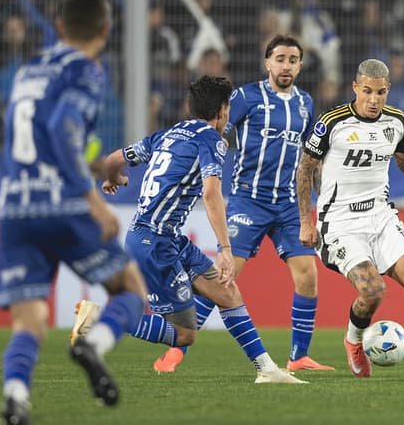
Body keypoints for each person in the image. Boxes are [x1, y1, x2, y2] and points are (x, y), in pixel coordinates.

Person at [76, 75, 305, 384]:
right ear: (224, 111)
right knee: (185, 335)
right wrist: (225, 249)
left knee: (227, 292)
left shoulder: (169, 133)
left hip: (166, 238)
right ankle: (98, 318)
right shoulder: (212, 140)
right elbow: (211, 194)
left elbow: (118, 157)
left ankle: (267, 370)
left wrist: (112, 176)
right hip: (154, 243)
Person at [0, 0, 148, 425]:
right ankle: (92, 345)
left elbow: (40, 140)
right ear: (106, 29)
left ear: (59, 27)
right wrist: (91, 198)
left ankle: (15, 396)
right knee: (130, 288)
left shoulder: (29, 71)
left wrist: (101, 165)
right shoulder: (86, 70)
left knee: (29, 320)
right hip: (62, 202)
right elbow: (62, 129)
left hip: (14, 207)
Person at [149, 34, 332, 373]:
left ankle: (298, 357)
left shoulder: (305, 103)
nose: (286, 65)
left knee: (307, 275)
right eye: (280, 58)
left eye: (293, 59)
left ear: (301, 65)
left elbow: (310, 160)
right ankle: (178, 349)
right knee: (222, 279)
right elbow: (212, 131)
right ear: (267, 63)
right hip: (249, 200)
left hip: (290, 205)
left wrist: (320, 199)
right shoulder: (247, 97)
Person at [296, 58, 404, 380]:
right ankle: (353, 341)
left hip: (381, 215)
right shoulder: (332, 123)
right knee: (374, 292)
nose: (374, 99)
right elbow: (305, 168)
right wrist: (306, 221)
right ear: (355, 88)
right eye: (367, 91)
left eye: (380, 92)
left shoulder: (396, 121)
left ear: (388, 89)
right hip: (339, 223)